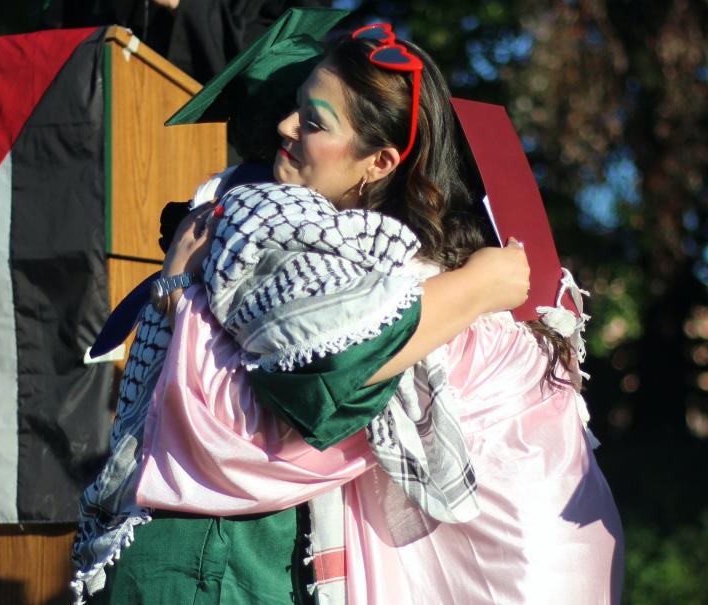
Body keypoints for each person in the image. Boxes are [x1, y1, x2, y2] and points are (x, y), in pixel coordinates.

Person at [74, 22, 622, 605]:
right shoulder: (268, 214)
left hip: (233, 553)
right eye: (293, 109)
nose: (288, 127)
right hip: (207, 558)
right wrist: (479, 287)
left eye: (314, 121)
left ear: (380, 162)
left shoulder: (371, 251)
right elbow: (330, 370)